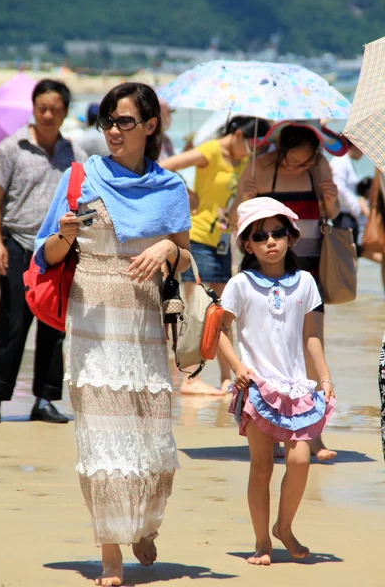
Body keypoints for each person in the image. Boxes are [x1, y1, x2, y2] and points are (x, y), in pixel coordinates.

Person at [34, 82, 191, 586]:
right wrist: (64, 235)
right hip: (94, 321)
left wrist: (167, 249)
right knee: (102, 441)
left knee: (149, 436)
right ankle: (110, 554)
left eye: (124, 121)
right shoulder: (81, 177)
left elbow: (186, 260)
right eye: (107, 121)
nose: (113, 131)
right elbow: (46, 256)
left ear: (150, 126)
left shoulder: (170, 188)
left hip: (145, 324)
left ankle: (142, 524)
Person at [219, 197, 335, 565]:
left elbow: (310, 337)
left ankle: (283, 528)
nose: (270, 241)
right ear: (247, 244)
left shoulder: (305, 283)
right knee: (262, 466)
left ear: (291, 237)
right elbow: (220, 332)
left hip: (296, 387)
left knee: (300, 460)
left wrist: (325, 377)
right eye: (261, 235)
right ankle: (261, 543)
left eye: (278, 232)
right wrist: (237, 367)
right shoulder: (239, 284)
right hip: (256, 389)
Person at [237, 121, 342, 461]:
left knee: (313, 344)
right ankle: (275, 430)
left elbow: (334, 214)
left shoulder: (317, 167)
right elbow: (237, 220)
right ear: (280, 151)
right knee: (272, 353)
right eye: (292, 161)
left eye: (305, 161)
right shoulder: (258, 168)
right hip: (267, 275)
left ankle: (313, 435)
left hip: (308, 266)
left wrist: (331, 200)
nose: (299, 166)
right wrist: (245, 196)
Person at [0, 79, 88, 424]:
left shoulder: (75, 155)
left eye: (55, 109)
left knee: (56, 325)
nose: (47, 114)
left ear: (65, 113)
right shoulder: (11, 148)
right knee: (13, 322)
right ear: (33, 108)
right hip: (18, 244)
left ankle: (44, 399)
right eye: (42, 107)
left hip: (60, 251)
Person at [160, 116, 270, 396]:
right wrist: (188, 194)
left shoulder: (245, 162)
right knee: (195, 311)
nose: (251, 151)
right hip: (196, 240)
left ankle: (226, 378)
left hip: (223, 242)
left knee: (220, 313)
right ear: (236, 134)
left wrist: (246, 196)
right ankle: (189, 378)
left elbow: (233, 215)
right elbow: (165, 166)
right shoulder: (210, 151)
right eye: (250, 144)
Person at [330, 139, 368, 249]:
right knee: (346, 255)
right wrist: (356, 205)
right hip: (343, 217)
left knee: (350, 254)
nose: (363, 152)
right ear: (354, 145)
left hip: (347, 216)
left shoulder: (345, 161)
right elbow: (338, 188)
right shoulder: (340, 161)